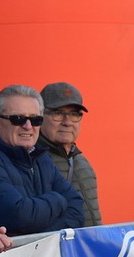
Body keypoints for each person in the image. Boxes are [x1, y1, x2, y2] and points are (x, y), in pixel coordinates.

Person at [0, 84, 85, 238]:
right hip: (3, 255)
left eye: (35, 119)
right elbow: (20, 217)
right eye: (18, 119)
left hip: (41, 253)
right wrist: (58, 200)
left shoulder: (41, 158)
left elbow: (77, 209)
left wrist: (41, 238)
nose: (28, 126)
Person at [38, 82, 102, 227]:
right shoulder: (31, 163)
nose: (67, 122)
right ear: (40, 116)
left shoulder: (82, 161)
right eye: (58, 113)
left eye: (74, 114)